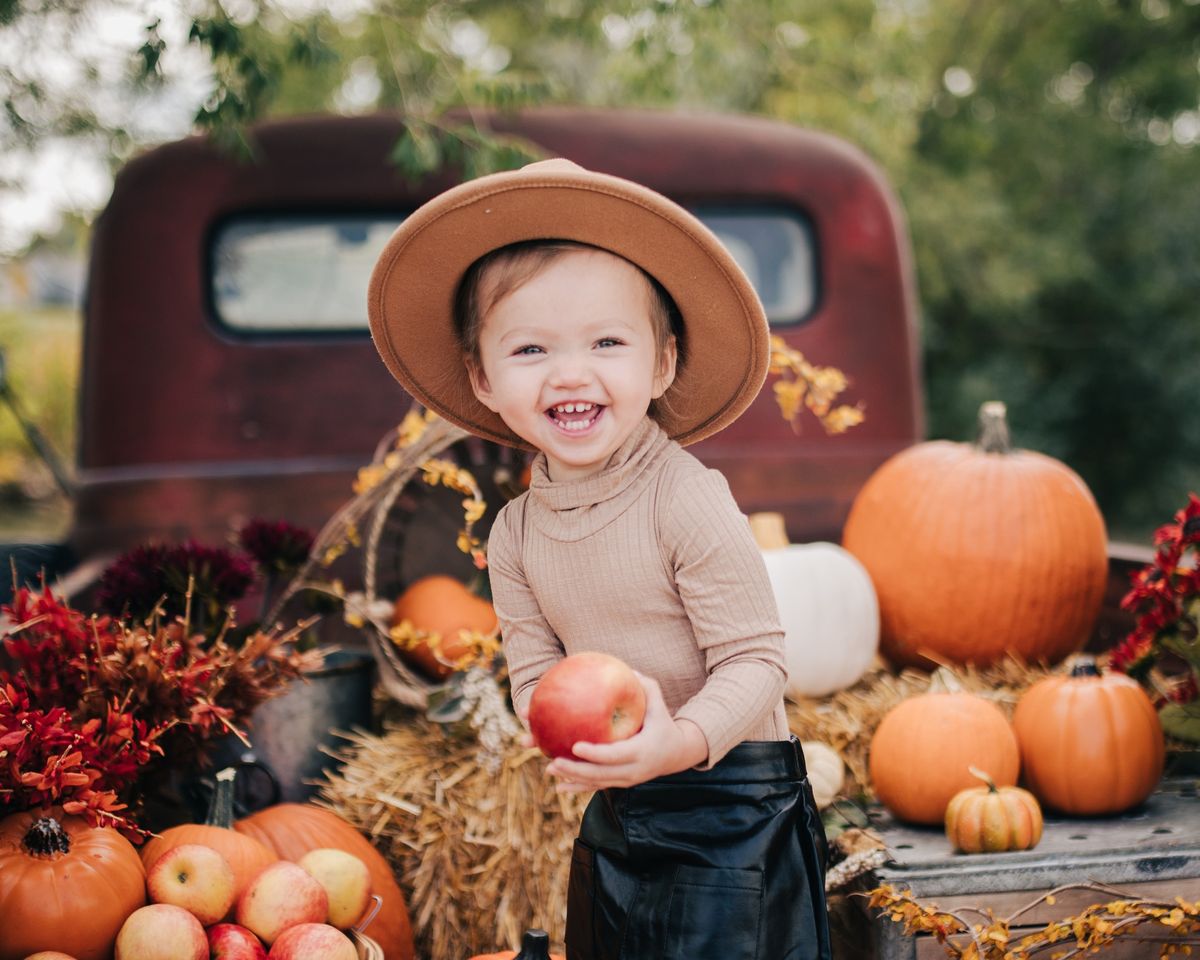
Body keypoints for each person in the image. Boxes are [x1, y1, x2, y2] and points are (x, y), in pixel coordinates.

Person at [368, 158, 830, 960]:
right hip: (621, 807)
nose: (570, 372)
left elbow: (757, 660)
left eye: (607, 342)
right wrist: (568, 739)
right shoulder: (513, 534)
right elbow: (530, 676)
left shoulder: (682, 497)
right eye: (531, 349)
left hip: (733, 812)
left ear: (661, 363)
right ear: (482, 377)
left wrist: (679, 741)